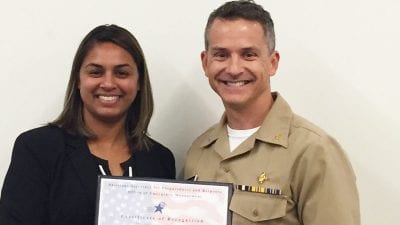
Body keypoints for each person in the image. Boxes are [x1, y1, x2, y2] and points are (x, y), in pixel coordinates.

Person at [184, 1, 360, 224]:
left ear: (272, 63)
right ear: (205, 63)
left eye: (249, 55)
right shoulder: (198, 152)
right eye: (221, 55)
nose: (234, 68)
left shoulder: (314, 151)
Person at [0, 24, 175, 225]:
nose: (108, 83)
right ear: (78, 80)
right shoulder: (38, 149)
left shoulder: (160, 160)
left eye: (122, 73)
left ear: (139, 83)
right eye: (96, 72)